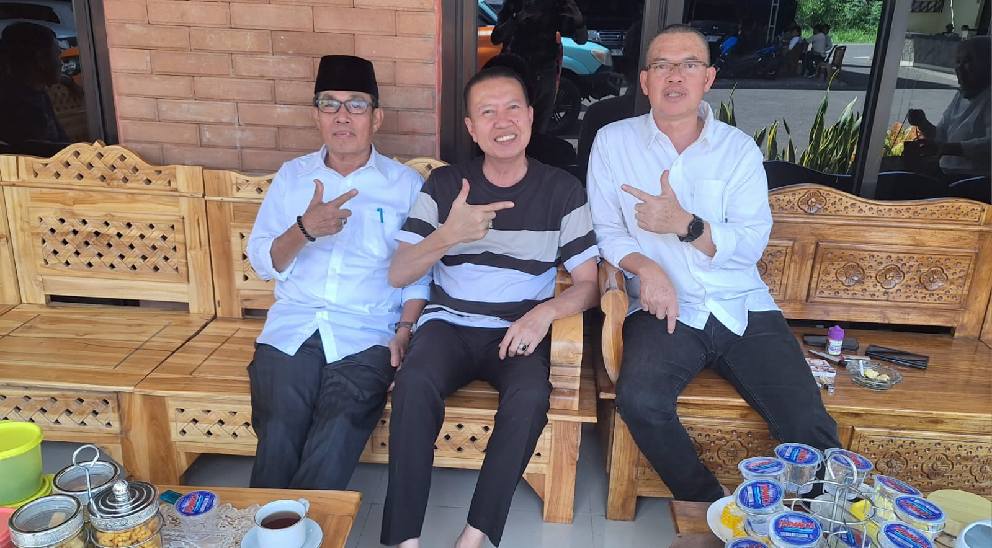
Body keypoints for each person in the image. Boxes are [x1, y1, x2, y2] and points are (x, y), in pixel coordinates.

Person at [586, 24, 841, 502]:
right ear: (645, 80)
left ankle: (814, 519)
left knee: (807, 421)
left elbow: (751, 242)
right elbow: (605, 230)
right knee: (640, 401)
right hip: (663, 308)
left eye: (689, 65)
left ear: (708, 78)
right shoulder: (612, 142)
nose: (675, 76)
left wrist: (685, 224)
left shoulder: (737, 149)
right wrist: (648, 269)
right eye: (662, 65)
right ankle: (711, 506)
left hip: (741, 304)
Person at [381, 66, 599, 547]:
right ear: (471, 128)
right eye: (487, 112)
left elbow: (590, 285)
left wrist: (543, 314)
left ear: (531, 116)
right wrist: (449, 235)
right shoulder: (444, 186)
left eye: (512, 107)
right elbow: (399, 273)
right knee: (413, 384)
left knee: (530, 398)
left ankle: (475, 535)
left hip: (518, 327)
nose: (503, 121)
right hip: (449, 324)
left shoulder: (563, 191)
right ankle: (403, 539)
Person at [245, 55, 428, 490]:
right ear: (316, 116)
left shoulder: (404, 184)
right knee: (279, 426)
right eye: (330, 104)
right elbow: (262, 262)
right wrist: (304, 229)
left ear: (376, 118)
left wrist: (404, 332)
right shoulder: (293, 177)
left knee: (339, 427)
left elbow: (420, 273)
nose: (342, 116)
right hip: (293, 327)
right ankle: (271, 523)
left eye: (356, 105)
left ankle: (298, 523)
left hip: (367, 333)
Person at [491, 0, 588, 133]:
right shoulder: (514, 4)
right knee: (513, 125)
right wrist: (518, 18)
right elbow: (496, 37)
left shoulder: (555, 5)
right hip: (517, 73)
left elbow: (581, 40)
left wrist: (577, 19)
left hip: (544, 73)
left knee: (539, 129)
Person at [907, 36, 991, 178]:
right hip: (946, 173)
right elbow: (941, 135)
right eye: (958, 61)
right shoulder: (960, 96)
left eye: (968, 61)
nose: (959, 67)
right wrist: (922, 123)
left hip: (973, 180)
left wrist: (947, 148)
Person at [0, 22, 70, 155]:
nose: (61, 63)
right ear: (41, 60)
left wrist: (70, 82)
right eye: (57, 55)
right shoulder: (19, 108)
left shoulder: (34, 91)